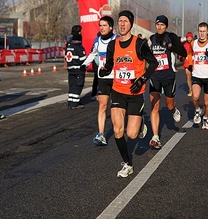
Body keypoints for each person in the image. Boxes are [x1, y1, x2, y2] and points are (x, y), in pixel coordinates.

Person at [99, 10, 158, 177]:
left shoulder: (139, 44)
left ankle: (140, 125)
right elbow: (110, 64)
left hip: (135, 94)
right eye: (120, 21)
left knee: (131, 134)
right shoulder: (113, 45)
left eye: (125, 21)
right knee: (118, 131)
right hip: (118, 91)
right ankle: (127, 163)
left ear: (131, 24)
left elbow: (153, 63)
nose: (122, 24)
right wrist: (105, 70)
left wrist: (142, 79)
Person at [147, 15, 187, 149]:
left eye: (162, 25)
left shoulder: (171, 36)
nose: (159, 27)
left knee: (169, 105)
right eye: (157, 24)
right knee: (154, 106)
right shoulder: (151, 39)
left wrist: (170, 46)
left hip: (168, 76)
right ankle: (155, 137)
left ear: (166, 26)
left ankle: (174, 110)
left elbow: (184, 52)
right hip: (155, 77)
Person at [80, 16, 119, 145]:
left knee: (118, 108)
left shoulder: (117, 40)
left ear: (111, 27)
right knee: (102, 106)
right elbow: (93, 53)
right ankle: (101, 134)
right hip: (103, 78)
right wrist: (84, 64)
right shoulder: (97, 41)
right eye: (100, 25)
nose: (102, 28)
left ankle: (132, 125)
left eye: (104, 25)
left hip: (116, 78)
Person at [187, 22, 208, 130]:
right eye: (200, 31)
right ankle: (197, 110)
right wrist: (191, 64)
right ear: (198, 32)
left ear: (207, 32)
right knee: (195, 96)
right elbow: (189, 54)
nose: (202, 34)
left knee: (206, 102)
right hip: (197, 75)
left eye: (204, 31)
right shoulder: (193, 43)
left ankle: (205, 117)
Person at [65, 30, 86, 109]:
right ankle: (75, 103)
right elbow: (83, 59)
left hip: (70, 70)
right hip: (78, 70)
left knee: (72, 85)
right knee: (78, 85)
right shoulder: (79, 47)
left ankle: (71, 102)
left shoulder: (69, 46)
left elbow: (66, 57)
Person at [180, 32, 194, 96]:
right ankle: (190, 90)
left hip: (194, 62)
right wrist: (181, 57)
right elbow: (182, 52)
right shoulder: (185, 45)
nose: (189, 39)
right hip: (187, 62)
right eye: (188, 37)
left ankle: (195, 88)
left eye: (190, 37)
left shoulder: (195, 44)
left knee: (195, 77)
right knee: (188, 76)